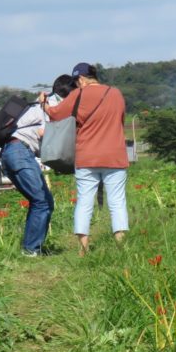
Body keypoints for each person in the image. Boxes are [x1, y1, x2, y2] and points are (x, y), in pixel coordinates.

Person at [40, 62, 129, 256]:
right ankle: (121, 247)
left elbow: (55, 115)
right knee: (117, 202)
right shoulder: (116, 93)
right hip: (115, 156)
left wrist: (43, 103)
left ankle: (83, 248)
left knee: (84, 202)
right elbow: (121, 121)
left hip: (87, 156)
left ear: (81, 79)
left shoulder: (78, 95)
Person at [0, 78, 67, 257]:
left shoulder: (39, 105)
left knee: (43, 202)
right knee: (41, 202)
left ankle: (33, 247)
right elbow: (43, 132)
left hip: (13, 153)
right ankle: (30, 250)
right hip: (19, 152)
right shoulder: (48, 108)